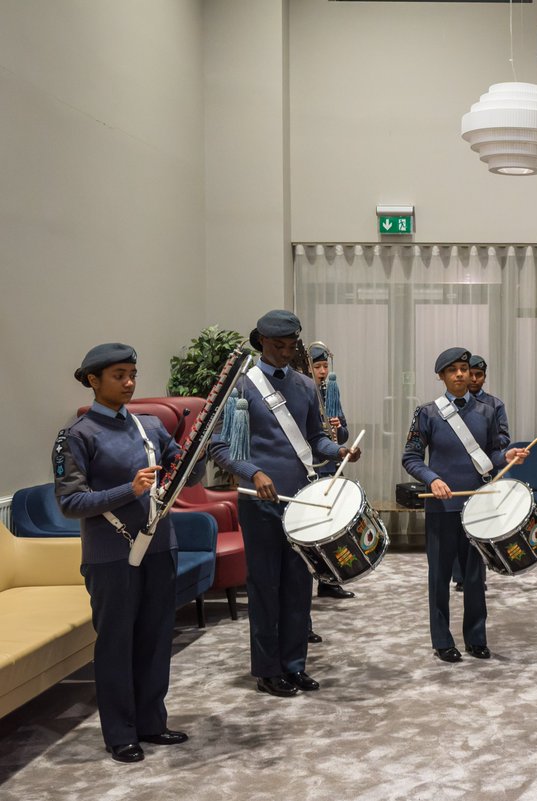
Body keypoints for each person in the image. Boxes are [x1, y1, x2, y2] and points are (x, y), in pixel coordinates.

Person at [54, 343, 203, 762]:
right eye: (118, 375)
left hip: (159, 547)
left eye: (132, 373)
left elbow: (186, 477)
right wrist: (129, 490)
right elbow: (70, 504)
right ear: (93, 381)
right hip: (110, 554)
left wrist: (200, 450)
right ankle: (120, 733)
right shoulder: (77, 436)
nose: (129, 382)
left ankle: (152, 723)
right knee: (116, 642)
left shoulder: (151, 427)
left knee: (156, 639)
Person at [208, 310, 361, 698]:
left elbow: (315, 440)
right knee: (264, 587)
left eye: (291, 345)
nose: (285, 352)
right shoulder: (240, 386)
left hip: (301, 501)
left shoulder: (306, 386)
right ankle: (266, 669)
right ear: (261, 342)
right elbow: (220, 448)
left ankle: (295, 665)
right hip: (258, 502)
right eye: (277, 346)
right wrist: (253, 472)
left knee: (298, 586)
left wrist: (339, 450)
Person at [402, 347, 529, 663]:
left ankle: (476, 637)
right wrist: (431, 479)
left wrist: (507, 456)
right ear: (441, 376)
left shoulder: (487, 411)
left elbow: (492, 456)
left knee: (475, 579)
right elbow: (411, 457)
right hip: (442, 508)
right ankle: (442, 640)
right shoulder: (427, 413)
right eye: (452, 370)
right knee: (439, 577)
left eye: (463, 368)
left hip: (478, 507)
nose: (460, 374)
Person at [451, 354, 507, 592]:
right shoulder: (451, 403)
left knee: (480, 525)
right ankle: (459, 576)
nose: (473, 379)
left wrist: (481, 441)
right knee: (456, 526)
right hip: (457, 472)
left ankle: (477, 576)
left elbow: (503, 437)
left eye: (478, 375)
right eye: (470, 373)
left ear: (484, 377)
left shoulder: (494, 405)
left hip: (484, 470)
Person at [308, 341, 355, 601]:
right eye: (318, 366)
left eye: (326, 366)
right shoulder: (304, 394)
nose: (323, 371)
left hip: (332, 466)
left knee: (334, 528)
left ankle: (330, 581)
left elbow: (343, 433)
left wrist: (339, 427)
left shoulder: (330, 394)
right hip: (312, 468)